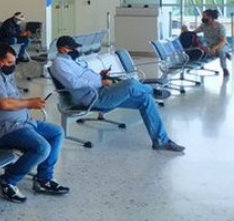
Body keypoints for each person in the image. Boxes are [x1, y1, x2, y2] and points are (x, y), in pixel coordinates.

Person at [50, 35, 185, 152]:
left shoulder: (70, 61)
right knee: (131, 84)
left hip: (100, 91)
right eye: (72, 48)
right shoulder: (59, 63)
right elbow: (73, 83)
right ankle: (153, 90)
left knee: (145, 99)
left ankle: (161, 141)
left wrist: (100, 75)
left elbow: (84, 76)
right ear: (62, 49)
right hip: (94, 97)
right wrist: (100, 82)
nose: (75, 50)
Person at [0, 43, 69, 203]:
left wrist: (28, 103)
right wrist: (29, 103)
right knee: (41, 147)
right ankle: (7, 181)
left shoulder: (4, 74)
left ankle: (44, 178)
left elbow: (14, 99)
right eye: (9, 62)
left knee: (57, 132)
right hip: (3, 130)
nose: (13, 65)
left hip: (21, 123)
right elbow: (3, 104)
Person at [193, 9, 230, 76]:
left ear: (210, 17)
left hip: (221, 44)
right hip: (210, 45)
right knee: (203, 49)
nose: (203, 18)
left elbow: (223, 41)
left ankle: (224, 69)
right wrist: (187, 32)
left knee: (220, 51)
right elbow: (195, 31)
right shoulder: (204, 25)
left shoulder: (219, 27)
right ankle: (224, 53)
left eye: (204, 17)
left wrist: (214, 48)